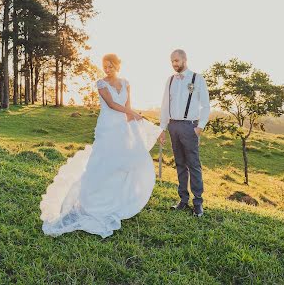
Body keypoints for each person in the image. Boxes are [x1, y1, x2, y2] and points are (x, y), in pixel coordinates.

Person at [40, 53, 162, 238]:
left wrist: (141, 124)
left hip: (122, 129)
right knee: (103, 163)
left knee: (122, 164)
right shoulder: (101, 84)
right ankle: (92, 203)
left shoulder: (126, 83)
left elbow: (128, 108)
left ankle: (116, 200)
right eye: (105, 66)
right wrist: (133, 113)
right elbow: (112, 105)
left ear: (117, 66)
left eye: (110, 66)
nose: (107, 69)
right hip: (108, 128)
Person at [158, 49, 210, 217]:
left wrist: (200, 126)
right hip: (173, 126)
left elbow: (206, 105)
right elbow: (165, 105)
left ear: (185, 60)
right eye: (172, 61)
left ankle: (198, 203)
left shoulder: (197, 79)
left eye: (177, 60)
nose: (174, 64)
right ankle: (183, 200)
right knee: (180, 164)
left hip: (190, 127)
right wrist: (163, 128)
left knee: (193, 164)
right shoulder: (170, 80)